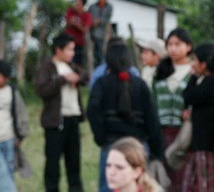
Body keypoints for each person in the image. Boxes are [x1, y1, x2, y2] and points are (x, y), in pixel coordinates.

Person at [87, 38, 163, 192]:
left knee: (108, 185)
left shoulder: (102, 83)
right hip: (138, 147)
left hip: (111, 145)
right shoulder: (140, 85)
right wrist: (156, 149)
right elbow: (151, 118)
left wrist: (100, 137)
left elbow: (92, 110)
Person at [35, 32, 87, 192]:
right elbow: (41, 89)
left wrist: (76, 78)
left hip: (72, 119)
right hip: (55, 121)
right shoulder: (47, 67)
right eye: (70, 49)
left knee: (74, 162)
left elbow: (86, 76)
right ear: (58, 50)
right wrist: (63, 79)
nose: (72, 53)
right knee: (52, 163)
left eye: (73, 49)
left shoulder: (72, 66)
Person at [180, 43, 214, 192]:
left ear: (205, 63)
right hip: (203, 142)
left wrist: (193, 76)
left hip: (208, 143)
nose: (193, 64)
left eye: (195, 60)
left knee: (206, 185)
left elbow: (188, 96)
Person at [153, 27, 193, 191]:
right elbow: (153, 99)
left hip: (183, 134)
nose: (173, 48)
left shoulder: (193, 71)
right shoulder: (161, 70)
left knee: (182, 176)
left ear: (188, 46)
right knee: (162, 177)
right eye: (170, 44)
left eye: (178, 44)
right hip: (161, 131)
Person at [0, 60, 29, 192]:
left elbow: (21, 114)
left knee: (9, 172)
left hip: (9, 139)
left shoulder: (11, 92)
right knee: (2, 175)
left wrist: (20, 136)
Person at [64, 0, 93, 67]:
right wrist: (77, 24)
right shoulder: (71, 11)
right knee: (66, 62)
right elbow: (67, 24)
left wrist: (76, 24)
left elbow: (85, 29)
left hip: (78, 43)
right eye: (76, 3)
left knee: (78, 63)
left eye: (78, 4)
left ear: (83, 5)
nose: (76, 5)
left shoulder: (87, 15)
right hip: (68, 41)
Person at [89, 0, 114, 67]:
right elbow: (89, 17)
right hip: (92, 32)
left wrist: (99, 21)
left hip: (103, 33)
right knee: (93, 53)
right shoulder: (92, 6)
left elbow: (107, 19)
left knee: (102, 52)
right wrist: (92, 22)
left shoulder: (109, 7)